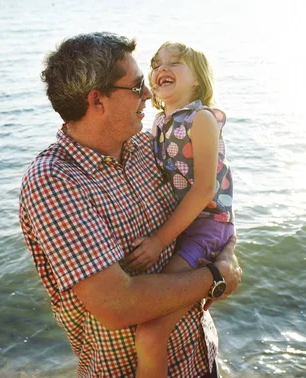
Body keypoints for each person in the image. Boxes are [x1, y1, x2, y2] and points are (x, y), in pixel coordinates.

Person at [18, 32, 242, 378]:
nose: (148, 95)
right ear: (98, 101)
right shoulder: (55, 181)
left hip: (199, 357)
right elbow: (116, 304)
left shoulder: (147, 148)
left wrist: (227, 249)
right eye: (138, 87)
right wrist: (216, 277)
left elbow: (206, 209)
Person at [121, 42, 235, 378]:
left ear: (197, 80)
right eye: (156, 64)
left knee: (152, 333)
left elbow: (203, 190)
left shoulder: (201, 119)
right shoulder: (158, 124)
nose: (161, 69)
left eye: (176, 63)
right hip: (185, 225)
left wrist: (158, 241)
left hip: (206, 225)